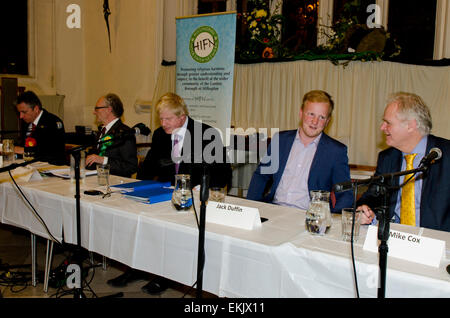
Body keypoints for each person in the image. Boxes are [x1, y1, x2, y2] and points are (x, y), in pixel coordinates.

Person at [107, 92, 232, 294]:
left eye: (168, 119)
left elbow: (222, 173)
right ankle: (136, 267)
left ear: (182, 117)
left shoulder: (206, 134)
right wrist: (135, 187)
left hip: (193, 198)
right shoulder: (159, 134)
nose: (163, 123)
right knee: (139, 223)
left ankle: (165, 277)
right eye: (161, 118)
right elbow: (148, 167)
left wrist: (199, 189)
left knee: (172, 233)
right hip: (164, 193)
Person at [247, 90, 353, 213]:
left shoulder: (336, 151)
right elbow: (261, 176)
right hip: (274, 210)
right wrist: (250, 208)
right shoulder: (280, 140)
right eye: (311, 114)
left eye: (321, 117)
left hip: (309, 217)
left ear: (328, 121)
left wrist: (331, 221)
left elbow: (346, 194)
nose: (315, 122)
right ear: (301, 113)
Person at [357, 92, 450, 232]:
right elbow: (371, 196)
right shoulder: (387, 157)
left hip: (437, 243)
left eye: (388, 123)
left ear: (411, 126)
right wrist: (363, 209)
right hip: (393, 238)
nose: (382, 127)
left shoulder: (446, 154)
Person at [85, 93, 138, 178]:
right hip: (96, 180)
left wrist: (103, 160)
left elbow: (131, 167)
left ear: (109, 109)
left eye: (97, 108)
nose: (94, 112)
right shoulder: (102, 131)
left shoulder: (124, 133)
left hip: (116, 184)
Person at [14, 91, 66, 165]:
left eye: (24, 112)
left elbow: (51, 152)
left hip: (52, 167)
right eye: (19, 112)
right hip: (31, 165)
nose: (21, 116)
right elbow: (23, 144)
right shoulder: (26, 123)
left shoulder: (53, 122)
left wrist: (24, 150)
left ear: (36, 109)